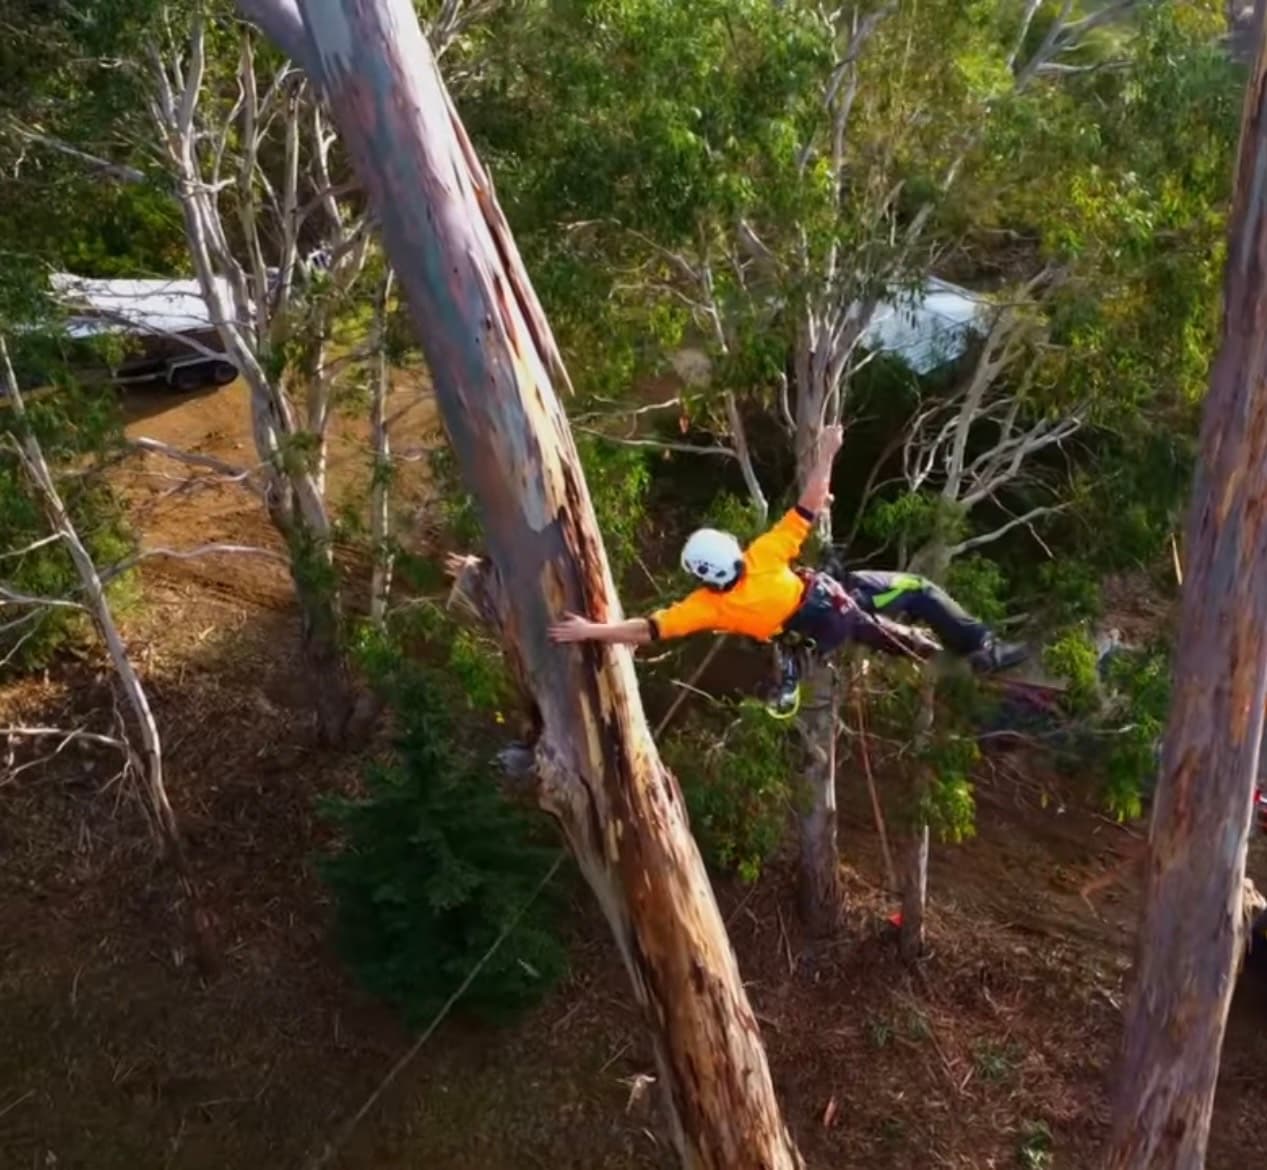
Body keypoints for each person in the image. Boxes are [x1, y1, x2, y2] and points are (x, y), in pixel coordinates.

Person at [548, 424, 1027, 715]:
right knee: (917, 589)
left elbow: (647, 629)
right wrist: (828, 450)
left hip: (825, 630)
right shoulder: (763, 554)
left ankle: (941, 655)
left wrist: (591, 631)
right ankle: (980, 647)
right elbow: (810, 499)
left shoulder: (707, 607)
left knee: (888, 632)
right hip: (843, 603)